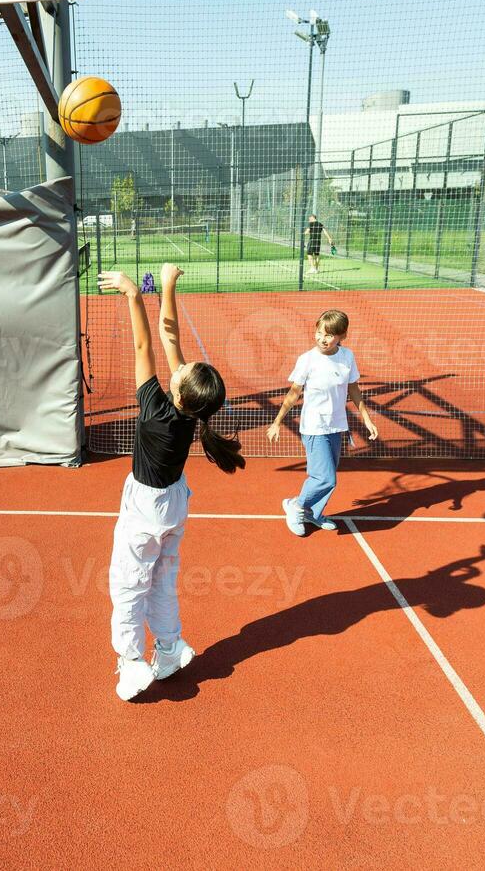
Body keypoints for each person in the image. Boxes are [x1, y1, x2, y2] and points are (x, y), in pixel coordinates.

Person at [97, 262, 246, 701]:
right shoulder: (188, 412)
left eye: (183, 369)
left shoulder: (156, 413)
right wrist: (167, 285)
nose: (179, 365)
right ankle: (167, 647)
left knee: (127, 585)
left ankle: (130, 662)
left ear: (179, 390)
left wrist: (132, 294)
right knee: (161, 580)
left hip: (145, 508)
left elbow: (146, 342)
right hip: (175, 505)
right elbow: (169, 340)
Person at [266, 309, 379, 536]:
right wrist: (277, 421)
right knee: (324, 478)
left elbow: (354, 390)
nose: (321, 339)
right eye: (319, 333)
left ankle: (313, 513)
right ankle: (296, 506)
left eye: (328, 335)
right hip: (314, 427)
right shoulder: (307, 360)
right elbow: (293, 393)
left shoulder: (347, 357)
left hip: (337, 426)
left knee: (329, 476)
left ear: (341, 336)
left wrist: (367, 419)